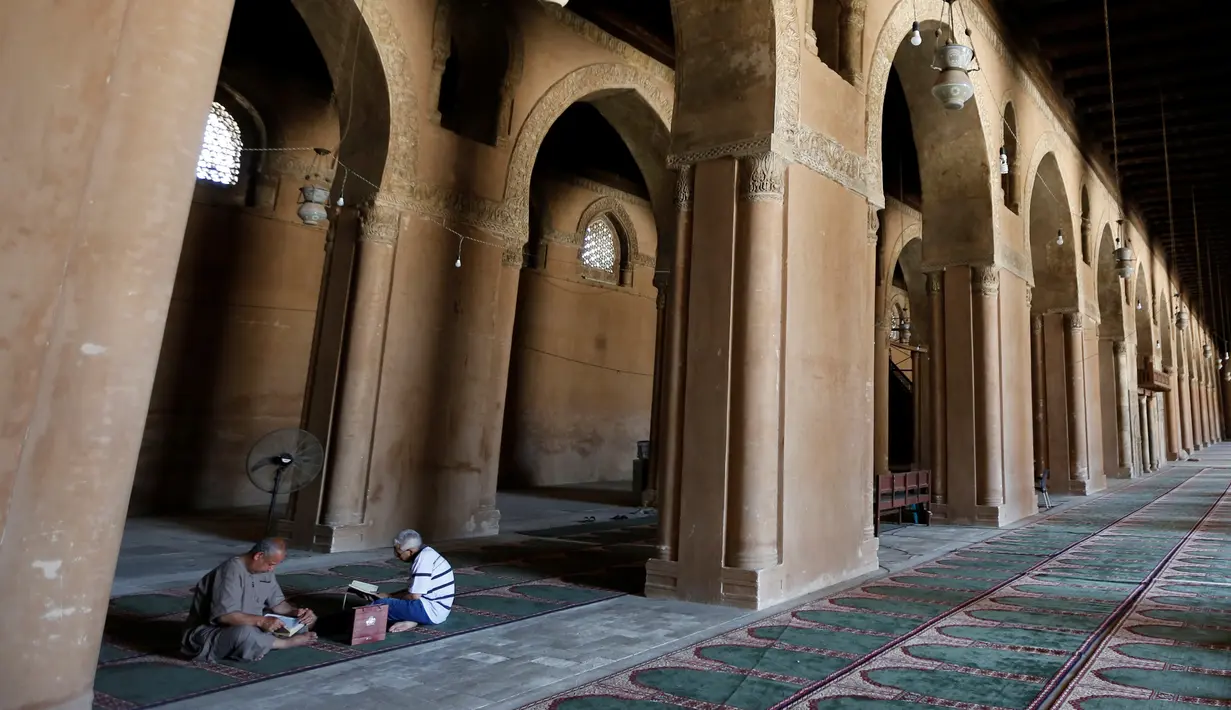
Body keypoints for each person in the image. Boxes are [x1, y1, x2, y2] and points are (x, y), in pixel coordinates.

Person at [181, 537, 318, 662]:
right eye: (271, 564)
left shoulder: (265, 571)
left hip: (255, 624)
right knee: (245, 633)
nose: (272, 569)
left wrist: (296, 613)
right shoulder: (230, 571)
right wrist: (262, 621)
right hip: (214, 632)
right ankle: (283, 643)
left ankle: (262, 644)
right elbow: (224, 617)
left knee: (302, 624)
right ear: (258, 556)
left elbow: (279, 605)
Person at [372, 529, 454, 632]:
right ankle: (413, 619)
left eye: (398, 553)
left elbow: (414, 596)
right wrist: (390, 596)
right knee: (388, 602)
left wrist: (390, 599)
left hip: (431, 611)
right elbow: (414, 591)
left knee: (377, 606)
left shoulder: (423, 559)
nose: (397, 556)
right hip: (436, 609)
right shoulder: (427, 553)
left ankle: (415, 618)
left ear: (410, 551)